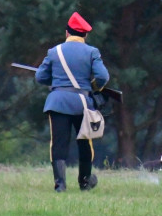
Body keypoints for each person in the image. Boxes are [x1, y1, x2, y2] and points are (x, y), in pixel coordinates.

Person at [35, 12, 110, 192]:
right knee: (85, 142)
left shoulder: (54, 51)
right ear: (84, 35)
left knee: (58, 143)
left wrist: (56, 82)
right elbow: (103, 77)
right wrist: (92, 88)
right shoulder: (92, 51)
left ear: (67, 33)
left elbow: (40, 77)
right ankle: (84, 183)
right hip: (82, 103)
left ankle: (60, 185)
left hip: (58, 102)